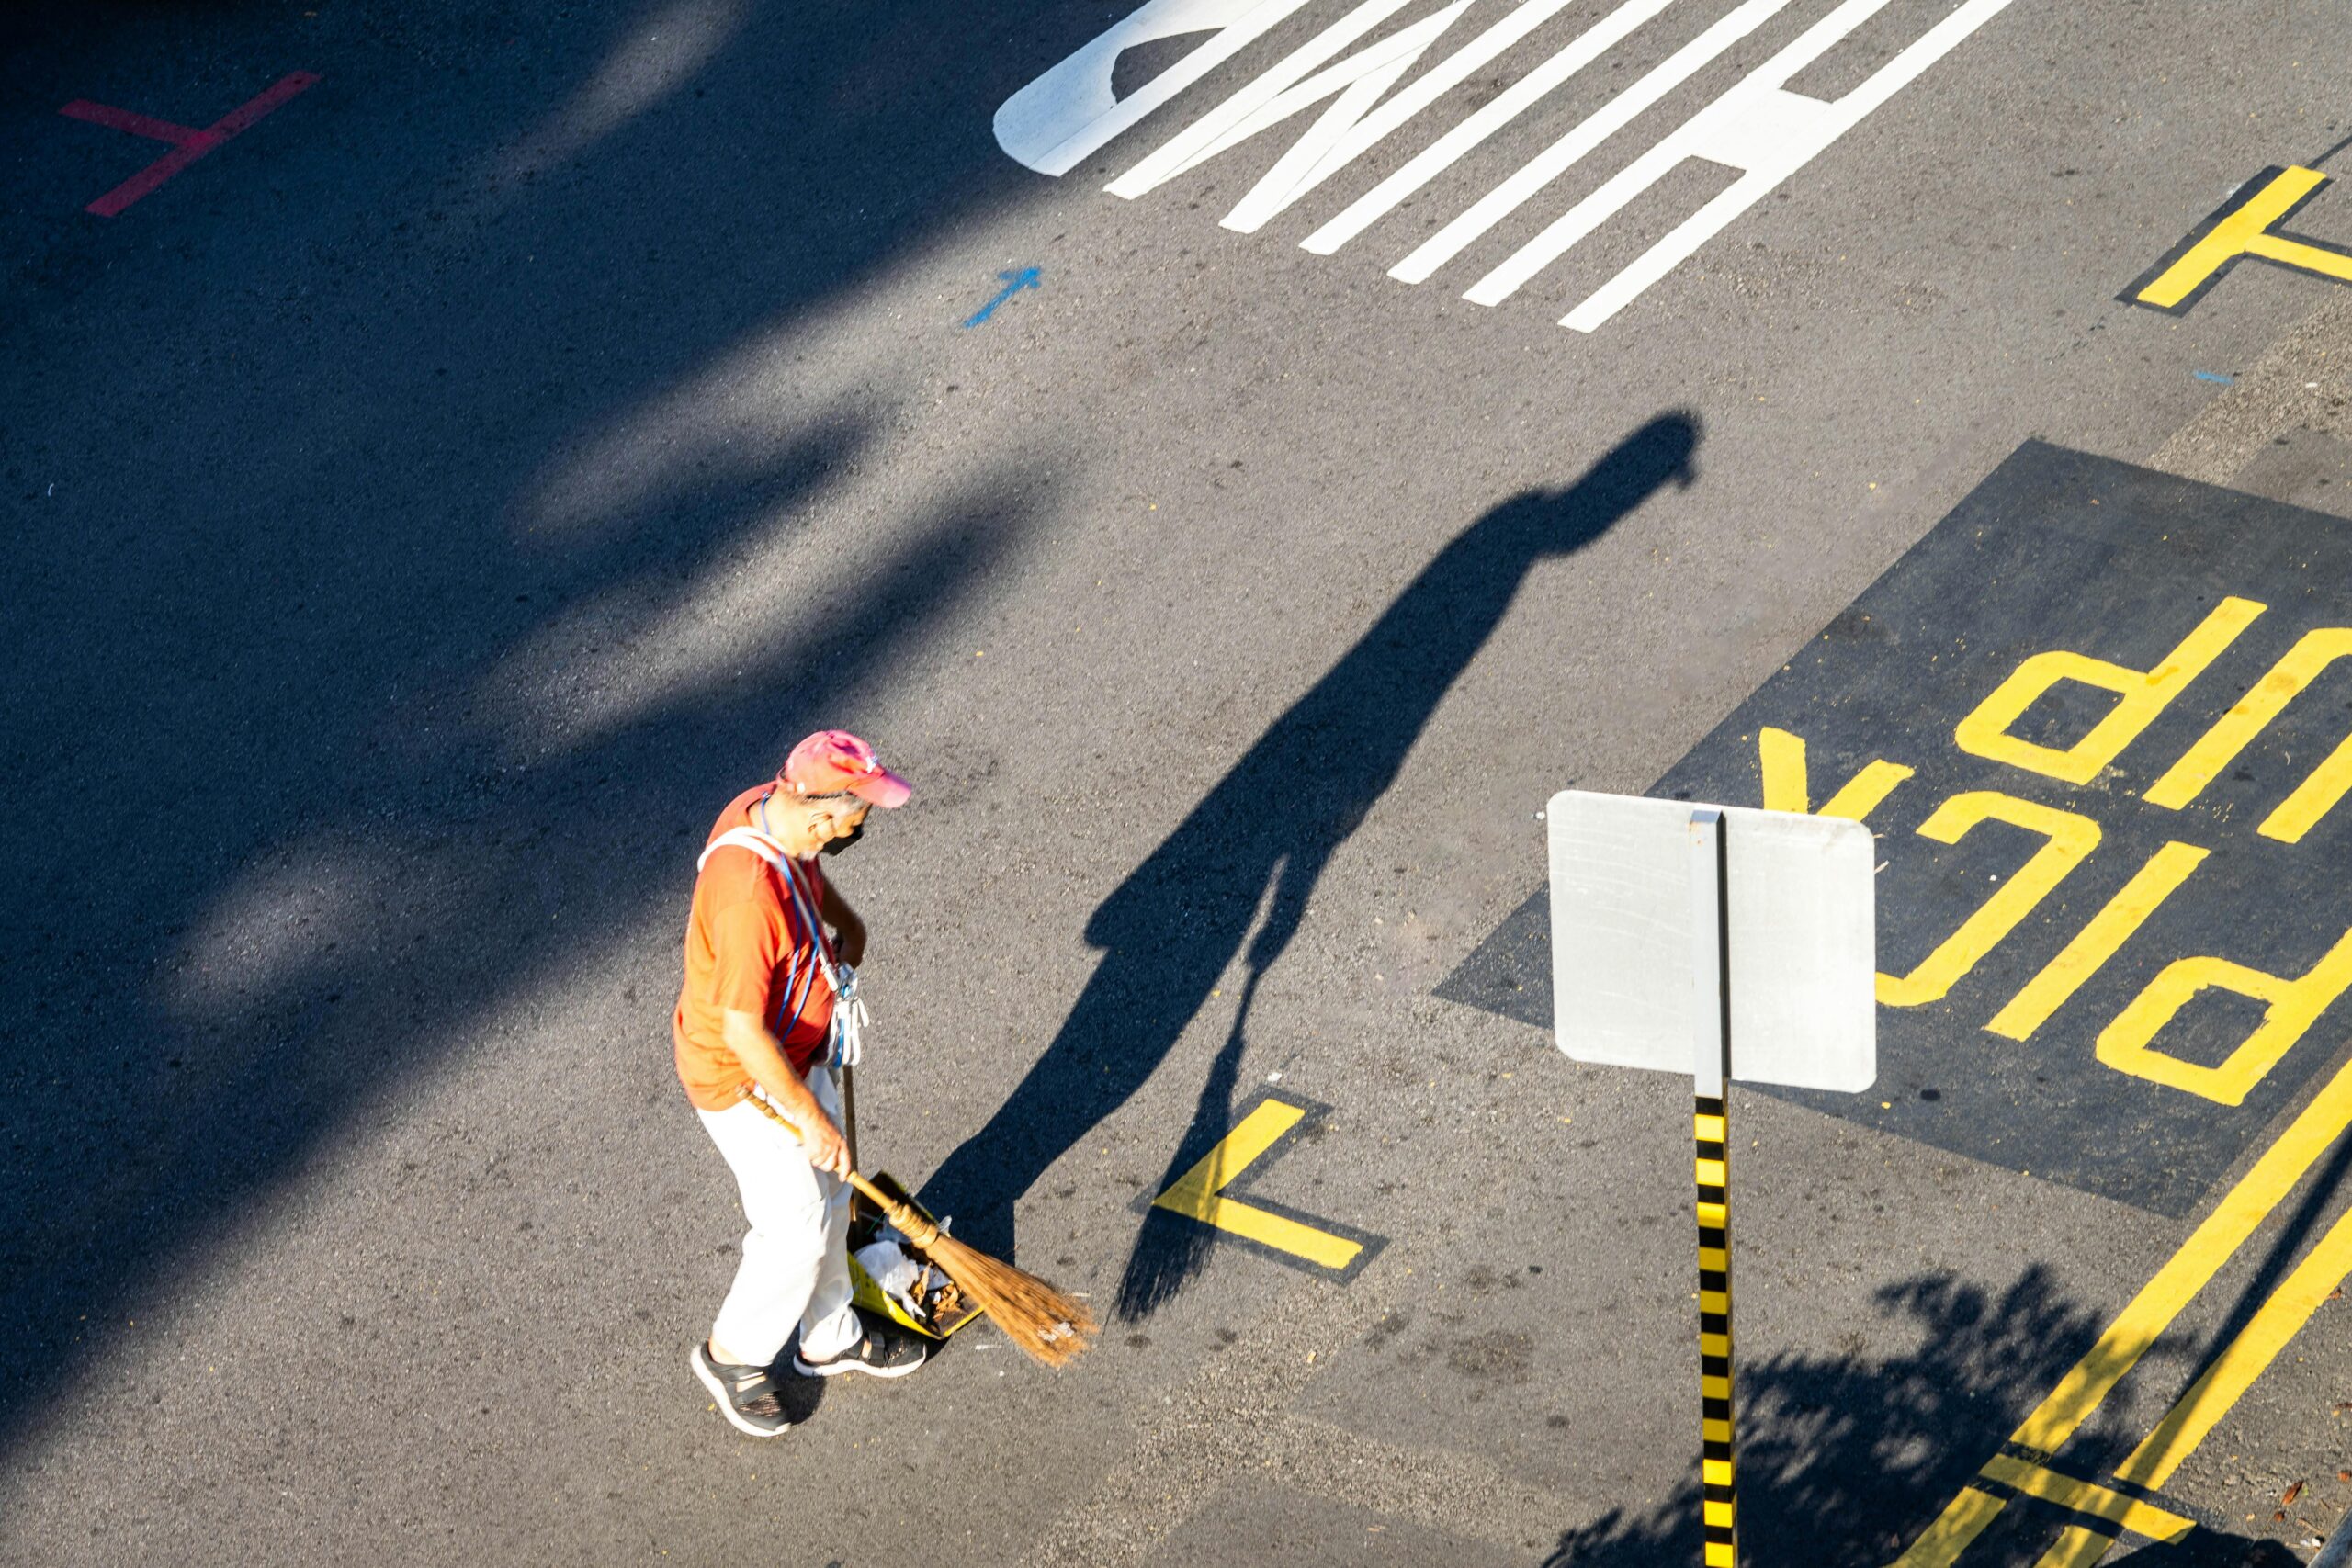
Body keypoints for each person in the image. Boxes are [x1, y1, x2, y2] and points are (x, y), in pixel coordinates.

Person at [674, 729, 931, 1438]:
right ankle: (733, 1354)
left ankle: (830, 1333)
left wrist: (846, 926)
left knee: (833, 1192)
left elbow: (809, 875)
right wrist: (811, 1120)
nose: (861, 824)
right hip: (743, 1076)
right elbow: (740, 1031)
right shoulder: (746, 895)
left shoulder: (775, 814)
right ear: (821, 810)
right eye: (859, 814)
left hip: (792, 1050)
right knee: (796, 1226)